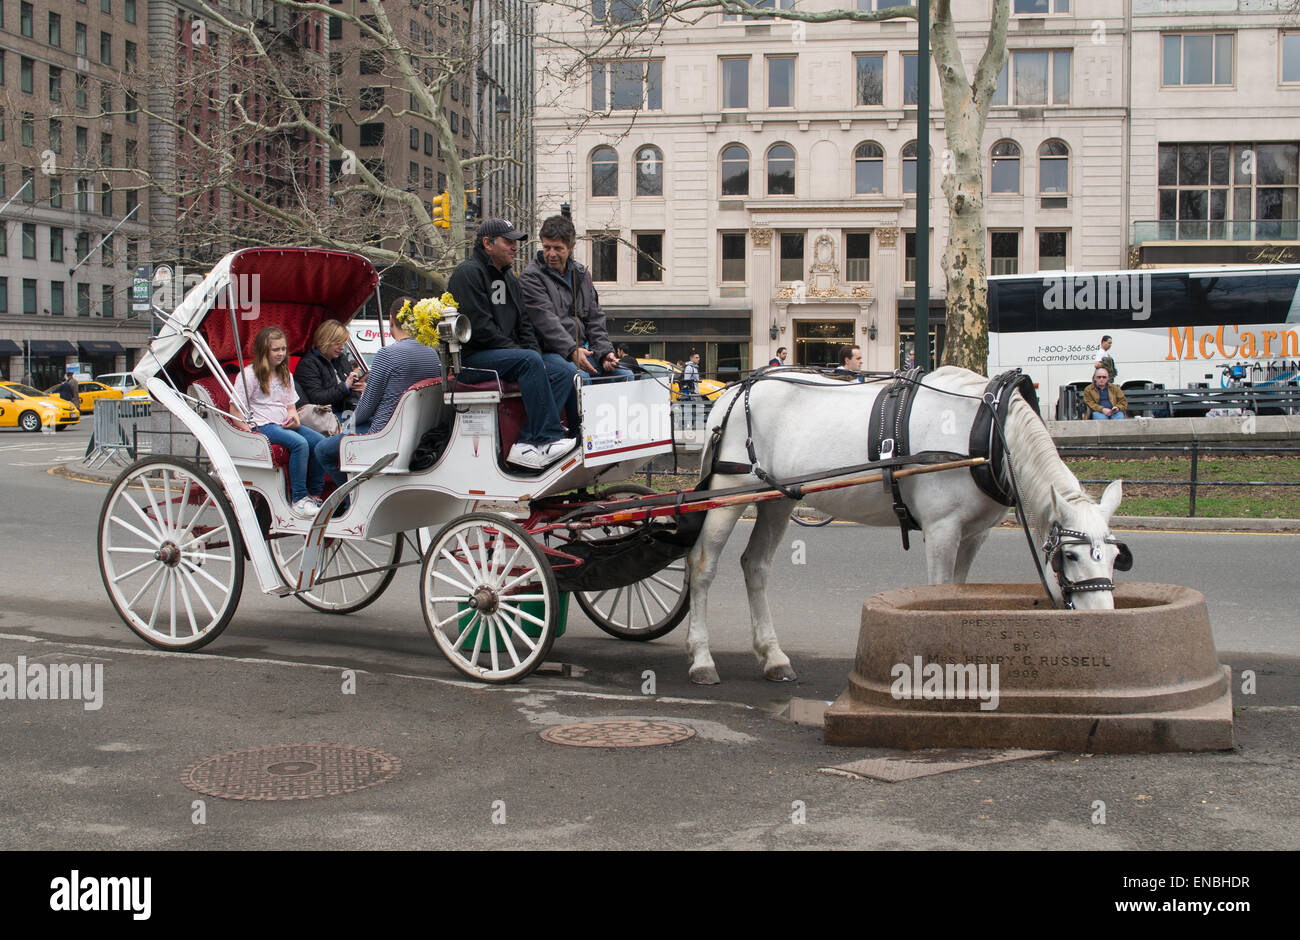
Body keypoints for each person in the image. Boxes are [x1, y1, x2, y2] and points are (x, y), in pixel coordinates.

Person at [449, 217, 578, 471]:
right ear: (487, 243)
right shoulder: (467, 274)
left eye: (515, 242)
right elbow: (481, 330)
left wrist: (533, 352)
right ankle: (549, 437)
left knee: (563, 369)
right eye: (508, 242)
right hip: (474, 359)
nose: (514, 247)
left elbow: (525, 325)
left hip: (508, 355)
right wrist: (525, 354)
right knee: (529, 361)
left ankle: (528, 441)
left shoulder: (510, 279)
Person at [315, 296, 443, 489]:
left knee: (323, 449)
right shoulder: (432, 354)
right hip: (419, 430)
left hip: (384, 433)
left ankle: (351, 497)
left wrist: (347, 425)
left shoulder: (387, 354)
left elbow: (366, 407)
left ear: (391, 320)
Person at [519, 214, 631, 392]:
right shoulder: (531, 278)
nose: (551, 254)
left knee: (624, 375)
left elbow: (595, 319)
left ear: (571, 247)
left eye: (558, 248)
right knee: (580, 378)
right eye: (546, 247)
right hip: (548, 352)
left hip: (581, 350)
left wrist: (604, 353)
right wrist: (572, 350)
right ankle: (578, 421)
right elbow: (546, 323)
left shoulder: (581, 274)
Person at [231, 326, 327, 517]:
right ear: (264, 350)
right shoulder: (249, 375)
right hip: (262, 425)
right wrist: (248, 433)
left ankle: (315, 494)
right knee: (299, 444)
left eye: (283, 349)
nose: (281, 353)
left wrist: (295, 419)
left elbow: (290, 406)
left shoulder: (286, 375)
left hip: (284, 423)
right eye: (276, 349)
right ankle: (299, 498)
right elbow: (235, 408)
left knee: (320, 442)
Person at [295, 320, 365, 418]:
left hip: (346, 412)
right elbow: (316, 398)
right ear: (325, 341)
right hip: (322, 417)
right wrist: (345, 386)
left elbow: (349, 389)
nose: (342, 348)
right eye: (338, 343)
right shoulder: (308, 364)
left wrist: (359, 388)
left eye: (343, 343)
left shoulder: (341, 359)